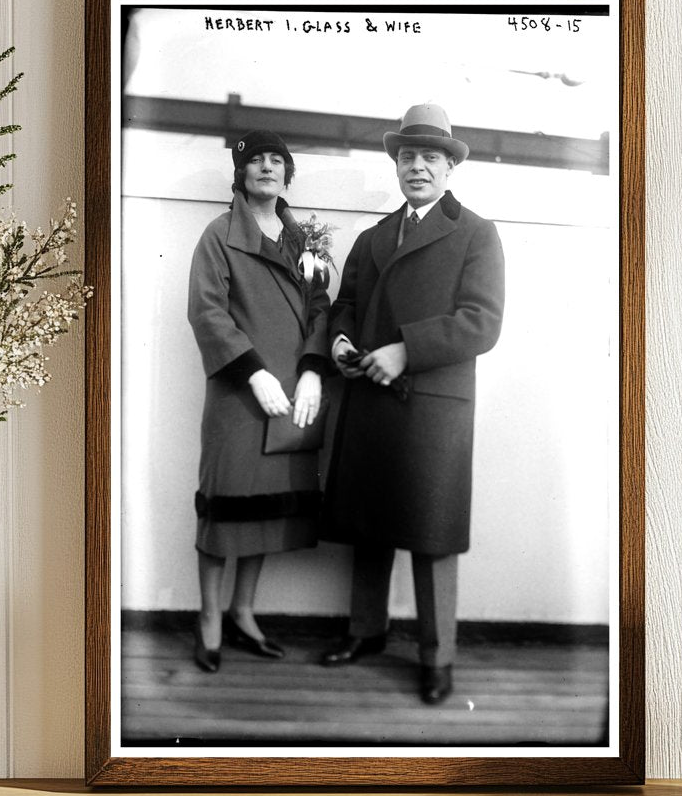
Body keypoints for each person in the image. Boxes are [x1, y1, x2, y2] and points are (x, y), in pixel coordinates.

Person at [321, 103, 505, 705]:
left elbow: (482, 323)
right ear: (396, 166)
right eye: (408, 157)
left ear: (450, 168)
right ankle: (365, 633)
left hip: (432, 405)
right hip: (370, 395)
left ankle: (437, 658)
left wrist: (405, 350)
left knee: (431, 534)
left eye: (430, 157)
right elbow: (344, 305)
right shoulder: (373, 236)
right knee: (369, 526)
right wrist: (343, 340)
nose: (417, 167)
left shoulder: (477, 232)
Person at [187, 131, 330, 673]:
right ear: (240, 173)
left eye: (278, 160)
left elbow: (321, 310)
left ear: (287, 174)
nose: (267, 168)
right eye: (256, 160)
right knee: (225, 508)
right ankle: (208, 620)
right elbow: (207, 311)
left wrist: (313, 371)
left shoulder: (305, 240)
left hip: (294, 396)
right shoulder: (219, 235)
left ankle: (243, 613)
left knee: (266, 510)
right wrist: (253, 373)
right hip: (241, 397)